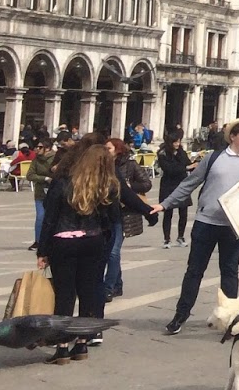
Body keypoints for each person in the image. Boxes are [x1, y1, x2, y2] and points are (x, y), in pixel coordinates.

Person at [37, 143, 159, 363]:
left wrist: (42, 250)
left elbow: (50, 219)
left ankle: (63, 347)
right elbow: (113, 218)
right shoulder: (107, 186)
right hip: (93, 240)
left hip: (64, 242)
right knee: (88, 293)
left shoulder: (63, 182)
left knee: (65, 294)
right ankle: (82, 344)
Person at [159, 118, 239, 336]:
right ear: (233, 137)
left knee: (229, 272)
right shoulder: (214, 157)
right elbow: (190, 183)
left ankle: (231, 319)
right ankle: (181, 315)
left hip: (234, 225)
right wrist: (165, 204)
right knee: (194, 271)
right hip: (206, 222)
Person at [104, 138, 152, 301]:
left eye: (109, 148)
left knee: (113, 252)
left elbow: (146, 184)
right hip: (110, 212)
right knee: (111, 252)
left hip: (125, 213)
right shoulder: (104, 166)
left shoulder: (130, 164)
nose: (106, 151)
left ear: (118, 150)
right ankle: (117, 284)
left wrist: (130, 187)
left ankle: (108, 287)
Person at [155, 133, 195, 248]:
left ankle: (181, 236)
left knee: (183, 212)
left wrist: (195, 164)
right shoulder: (162, 153)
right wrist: (186, 168)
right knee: (168, 212)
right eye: (175, 142)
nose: (177, 144)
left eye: (179, 142)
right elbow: (169, 169)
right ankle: (167, 238)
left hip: (182, 184)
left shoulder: (181, 152)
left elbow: (188, 164)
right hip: (168, 184)